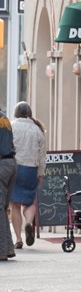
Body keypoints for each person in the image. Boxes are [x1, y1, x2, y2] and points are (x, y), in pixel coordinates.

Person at [9, 103, 48, 250]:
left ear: (16, 113)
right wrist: (40, 173)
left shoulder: (11, 126)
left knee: (14, 205)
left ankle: (18, 239)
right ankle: (28, 223)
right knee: (29, 202)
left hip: (15, 167)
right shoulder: (37, 130)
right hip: (31, 169)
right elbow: (42, 156)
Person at [0, 109, 16, 259]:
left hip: (1, 164)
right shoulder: (4, 118)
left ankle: (2, 251)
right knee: (3, 208)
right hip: (11, 163)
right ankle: (8, 248)